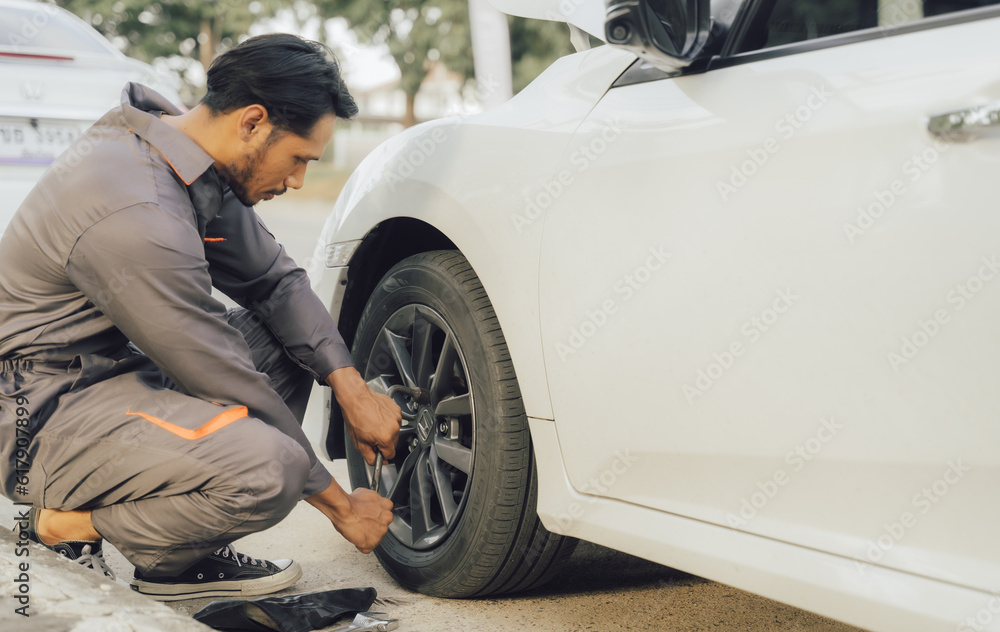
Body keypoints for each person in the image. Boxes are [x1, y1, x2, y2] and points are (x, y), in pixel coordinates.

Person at [0, 33, 401, 601]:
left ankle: (176, 557)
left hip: (111, 376)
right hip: (38, 412)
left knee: (286, 340)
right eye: (298, 160)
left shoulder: (184, 149)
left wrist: (350, 387)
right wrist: (340, 507)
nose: (296, 182)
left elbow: (276, 282)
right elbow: (220, 373)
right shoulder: (140, 208)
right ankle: (64, 525)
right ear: (253, 122)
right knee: (274, 468)